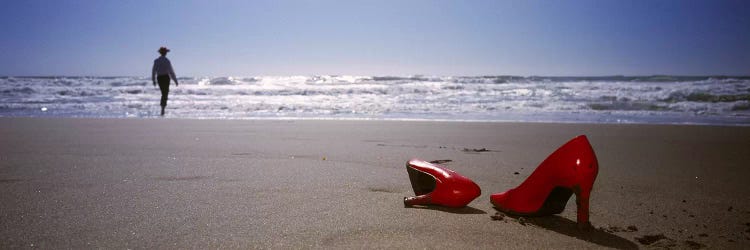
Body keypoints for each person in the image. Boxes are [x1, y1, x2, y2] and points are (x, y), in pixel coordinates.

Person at [152, 46, 179, 116]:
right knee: (165, 93)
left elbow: (153, 71)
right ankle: (163, 108)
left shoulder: (156, 61)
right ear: (165, 53)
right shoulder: (167, 61)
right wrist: (175, 80)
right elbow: (171, 72)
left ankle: (162, 108)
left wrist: (154, 80)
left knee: (163, 93)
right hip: (165, 78)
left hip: (159, 78)